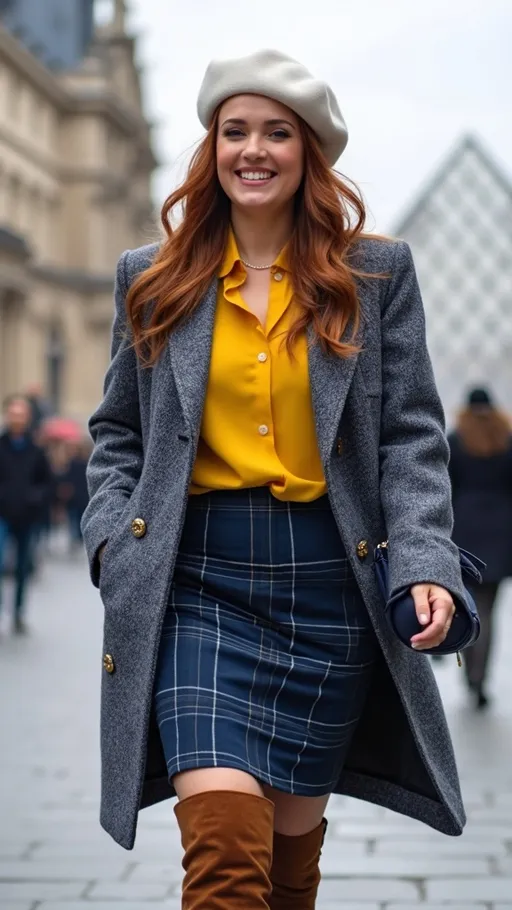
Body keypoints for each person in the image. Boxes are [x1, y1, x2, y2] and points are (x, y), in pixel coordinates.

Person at [82, 49, 467, 909]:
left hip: (329, 590)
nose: (253, 149)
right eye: (235, 131)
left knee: (288, 871)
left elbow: (410, 437)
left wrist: (426, 562)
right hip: (196, 584)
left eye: (276, 133)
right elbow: (116, 434)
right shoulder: (152, 279)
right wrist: (112, 543)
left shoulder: (376, 275)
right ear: (211, 148)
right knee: (222, 856)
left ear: (309, 152)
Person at [448, 387, 512, 710]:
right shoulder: (507, 440)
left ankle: (469, 674)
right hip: (502, 532)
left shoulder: (457, 440)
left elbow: (446, 486)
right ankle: (479, 679)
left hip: (466, 531)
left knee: (469, 605)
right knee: (489, 610)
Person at [0, 395, 52, 634]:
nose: (17, 418)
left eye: (21, 414)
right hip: (2, 514)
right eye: (13, 414)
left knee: (22, 567)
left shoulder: (36, 450)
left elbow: (46, 482)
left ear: (27, 418)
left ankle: (18, 613)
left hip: (27, 517)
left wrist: (36, 498)